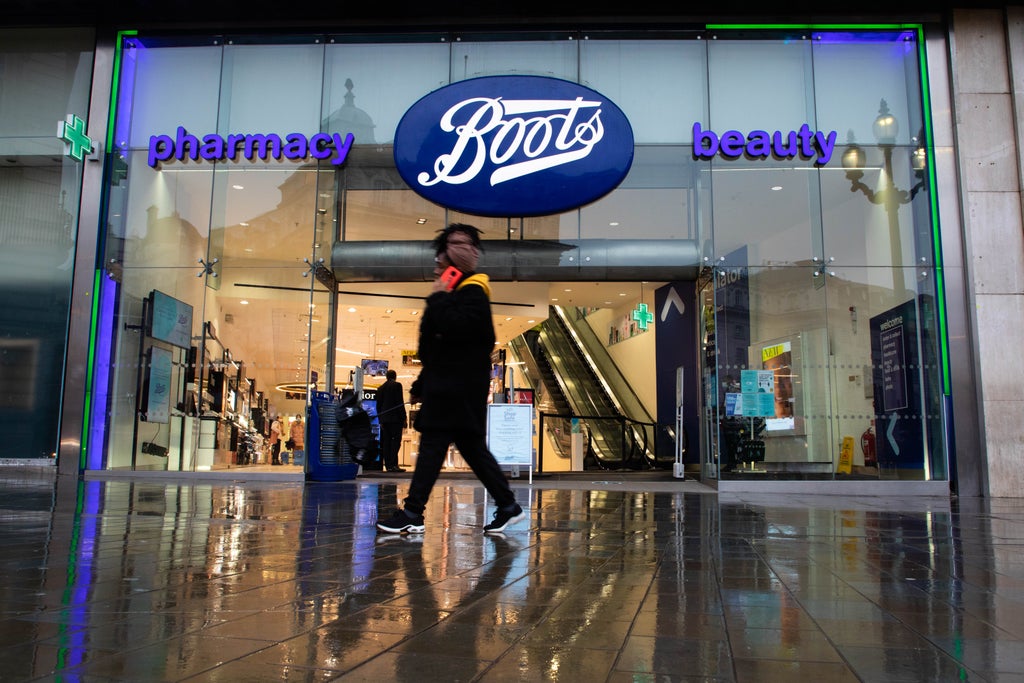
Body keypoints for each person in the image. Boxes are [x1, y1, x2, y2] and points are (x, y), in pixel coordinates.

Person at [376, 223, 524, 535]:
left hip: (456, 388)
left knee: (433, 445)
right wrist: (421, 384)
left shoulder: (472, 291)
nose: (437, 266)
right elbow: (435, 346)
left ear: (452, 261)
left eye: (440, 259)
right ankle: (508, 505)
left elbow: (463, 333)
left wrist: (439, 298)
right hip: (453, 387)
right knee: (471, 449)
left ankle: (413, 511)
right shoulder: (457, 292)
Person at [375, 369, 407, 472]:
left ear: (386, 377)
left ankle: (388, 465)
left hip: (385, 420)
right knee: (396, 442)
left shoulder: (380, 388)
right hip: (395, 419)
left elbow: (378, 406)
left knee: (387, 442)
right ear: (395, 376)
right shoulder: (397, 386)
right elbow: (399, 403)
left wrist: (380, 420)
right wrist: (404, 418)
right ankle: (394, 464)